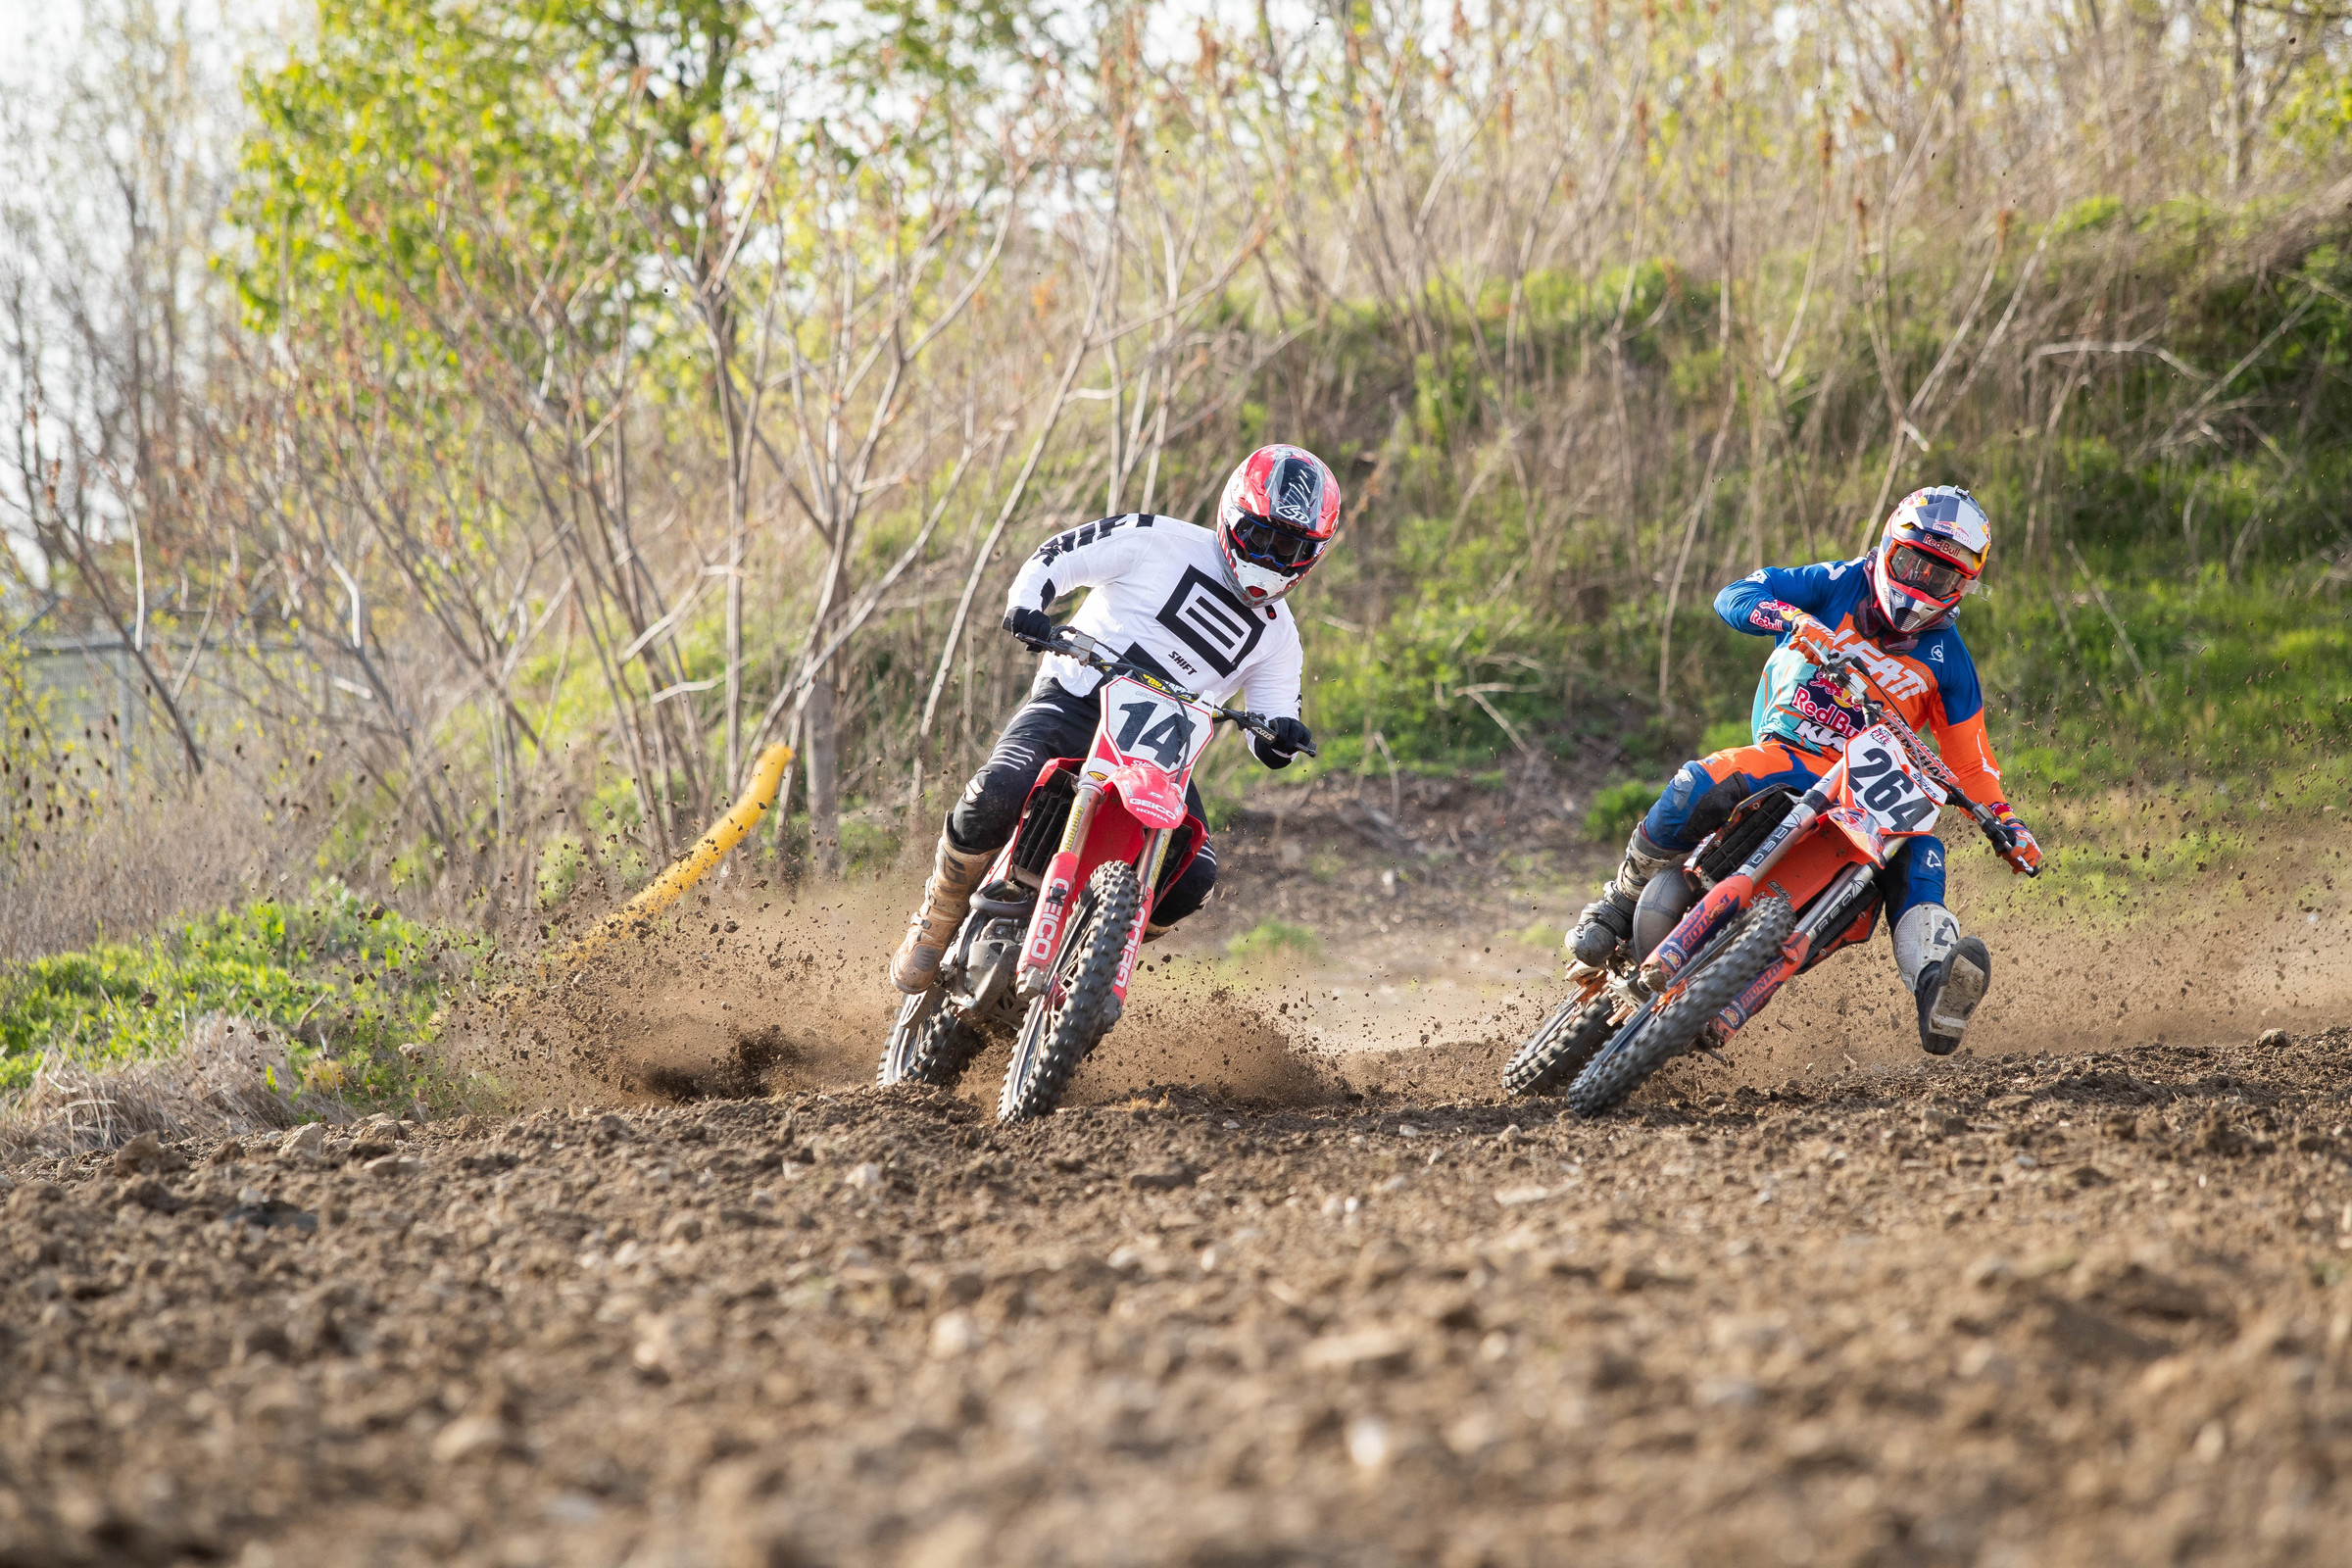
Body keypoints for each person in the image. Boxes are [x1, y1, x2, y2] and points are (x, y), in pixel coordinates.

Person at [1566, 486, 2044, 1054]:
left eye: (1938, 577)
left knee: (1922, 855)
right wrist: (1791, 619)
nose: (1919, 584)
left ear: (1961, 586)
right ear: (1889, 547)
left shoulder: (1951, 663)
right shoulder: (1837, 581)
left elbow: (1971, 760)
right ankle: (1621, 898)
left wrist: (2005, 821)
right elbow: (1737, 593)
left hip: (1871, 790)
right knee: (1701, 781)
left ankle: (1937, 990)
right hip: (1793, 753)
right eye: (1911, 562)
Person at [889, 444, 1341, 994]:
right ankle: (937, 918)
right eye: (1264, 537)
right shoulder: (1156, 538)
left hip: (1161, 753)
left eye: (1292, 548)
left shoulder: (1280, 636)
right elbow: (1058, 555)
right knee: (996, 790)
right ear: (1232, 513)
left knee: (1193, 877)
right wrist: (1028, 605)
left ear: (1312, 555)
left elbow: (1270, 726)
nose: (1272, 558)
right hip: (1076, 698)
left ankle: (1087, 958)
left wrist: (1281, 738)